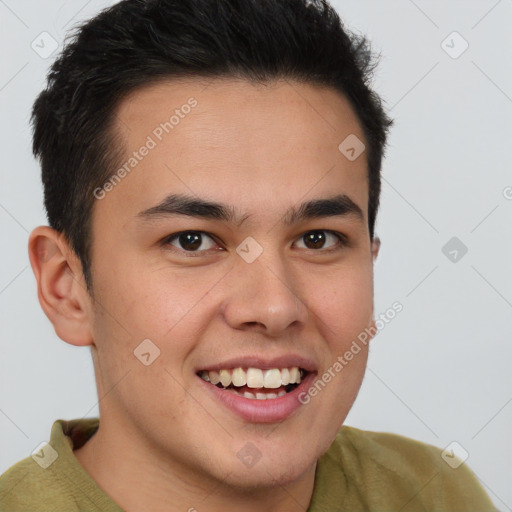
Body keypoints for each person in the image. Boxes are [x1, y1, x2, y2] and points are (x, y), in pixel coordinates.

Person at [0, 0, 497, 510]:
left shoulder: (433, 493)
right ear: (67, 288)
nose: (274, 307)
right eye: (191, 240)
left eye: (317, 239)